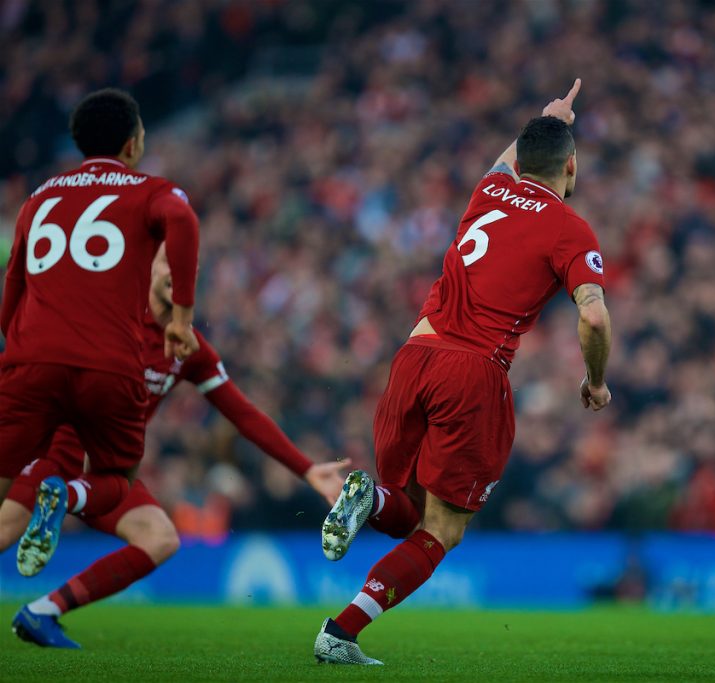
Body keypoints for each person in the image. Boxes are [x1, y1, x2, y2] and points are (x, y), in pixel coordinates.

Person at [314, 78, 612, 665]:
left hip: (413, 357)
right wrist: (595, 380)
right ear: (571, 166)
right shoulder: (570, 229)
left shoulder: (487, 193)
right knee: (442, 530)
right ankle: (339, 635)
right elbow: (595, 318)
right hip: (471, 372)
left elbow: (509, 158)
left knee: (402, 510)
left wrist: (545, 118)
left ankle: (368, 500)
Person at [1, 244, 349, 648]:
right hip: (58, 453)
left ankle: (42, 612)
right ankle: (64, 498)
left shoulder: (187, 347)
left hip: (108, 470)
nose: (177, 272)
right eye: (168, 261)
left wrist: (305, 467)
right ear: (145, 269)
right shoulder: (111, 320)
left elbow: (242, 413)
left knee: (160, 538)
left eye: (186, 266)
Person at [0, 88, 201, 577]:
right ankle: (67, 496)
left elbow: (13, 289)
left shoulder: (37, 199)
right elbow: (183, 219)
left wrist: (23, 351)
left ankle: (53, 492)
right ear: (132, 144)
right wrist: (181, 317)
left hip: (31, 363)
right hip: (108, 366)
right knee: (117, 479)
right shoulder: (150, 191)